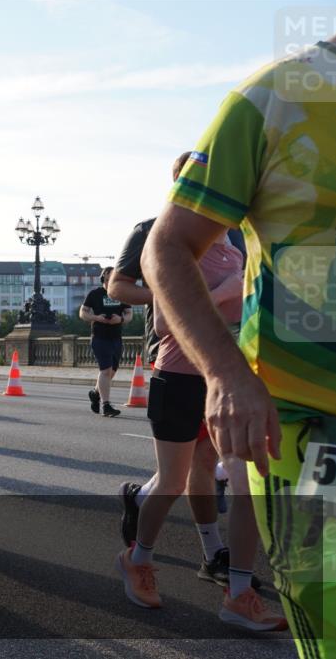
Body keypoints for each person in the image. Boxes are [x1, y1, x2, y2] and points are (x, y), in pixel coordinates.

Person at [143, 33, 336, 657]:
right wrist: (227, 375)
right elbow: (165, 248)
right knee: (335, 614)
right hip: (312, 423)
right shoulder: (274, 95)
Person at [115, 230, 284, 629]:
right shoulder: (172, 245)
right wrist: (225, 291)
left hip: (228, 382)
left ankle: (238, 595)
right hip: (178, 379)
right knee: (172, 482)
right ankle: (137, 559)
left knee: (247, 486)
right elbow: (163, 323)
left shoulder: (240, 249)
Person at [110, 153, 252, 589]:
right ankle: (144, 537)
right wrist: (179, 293)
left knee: (207, 467)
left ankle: (217, 560)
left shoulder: (235, 237)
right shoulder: (154, 232)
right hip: (173, 357)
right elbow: (118, 287)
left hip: (222, 367)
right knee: (177, 475)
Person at [80, 268, 131, 417]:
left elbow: (129, 314)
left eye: (114, 279)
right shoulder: (95, 294)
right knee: (106, 370)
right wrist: (96, 318)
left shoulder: (121, 294)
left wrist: (121, 319)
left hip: (116, 338)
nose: (111, 282)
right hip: (99, 337)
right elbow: (82, 312)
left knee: (112, 372)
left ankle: (95, 393)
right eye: (108, 279)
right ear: (103, 279)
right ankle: (106, 405)